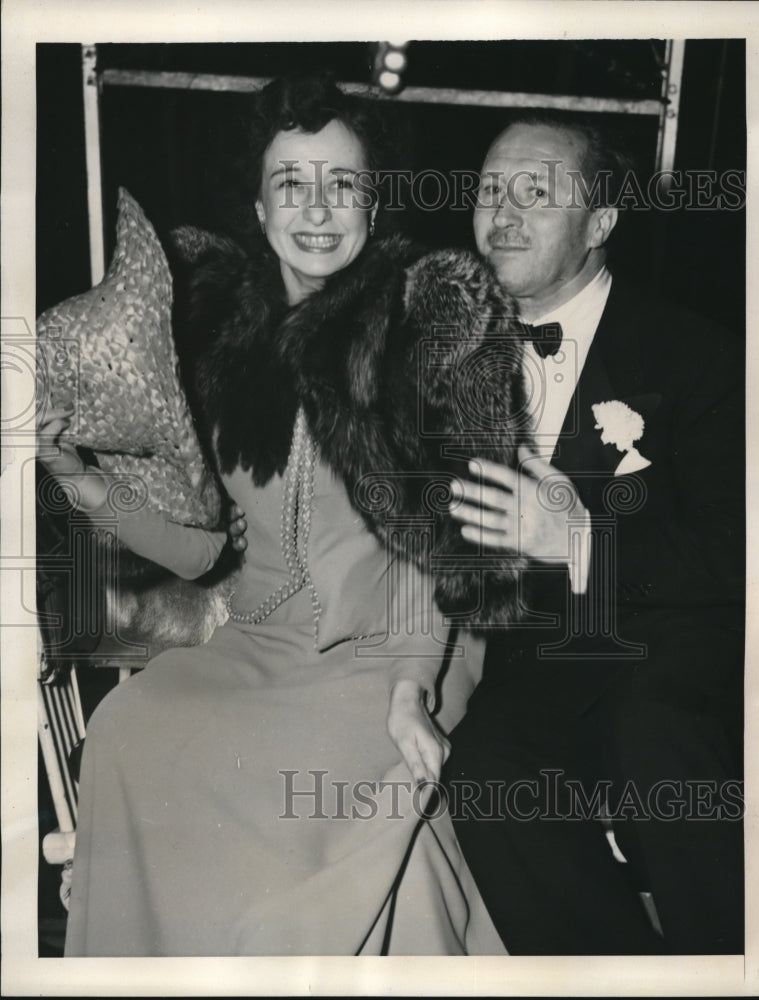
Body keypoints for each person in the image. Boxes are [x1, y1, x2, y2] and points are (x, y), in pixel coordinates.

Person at [38, 76, 520, 956]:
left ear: (372, 205)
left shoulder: (425, 323)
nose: (317, 209)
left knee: (311, 788)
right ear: (260, 208)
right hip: (262, 640)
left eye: (342, 184)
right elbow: (200, 553)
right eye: (292, 183)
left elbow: (447, 538)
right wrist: (79, 477)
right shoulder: (228, 346)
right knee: (123, 729)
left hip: (401, 643)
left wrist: (412, 692)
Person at [442, 112, 745, 955]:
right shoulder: (445, 355)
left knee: (658, 744)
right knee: (486, 773)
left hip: (672, 644)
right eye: (489, 189)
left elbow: (741, 551)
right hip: (532, 655)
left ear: (601, 223)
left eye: (535, 192)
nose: (502, 212)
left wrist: (578, 541)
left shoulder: (701, 356)